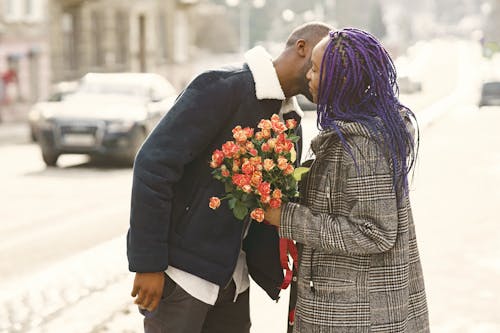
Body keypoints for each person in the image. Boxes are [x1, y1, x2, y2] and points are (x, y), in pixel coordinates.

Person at [127, 22, 331, 333]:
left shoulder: (292, 123)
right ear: (302, 48)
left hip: (233, 281)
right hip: (182, 275)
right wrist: (148, 262)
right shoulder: (222, 87)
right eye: (325, 66)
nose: (330, 80)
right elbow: (154, 166)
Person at [265, 28, 430, 332]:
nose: (308, 76)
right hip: (347, 308)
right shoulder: (354, 134)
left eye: (315, 69)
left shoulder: (364, 144)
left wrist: (286, 217)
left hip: (357, 316)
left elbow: (375, 233)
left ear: (342, 80)